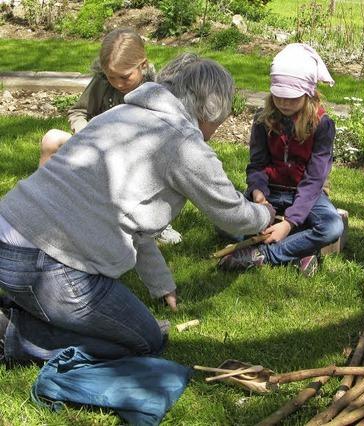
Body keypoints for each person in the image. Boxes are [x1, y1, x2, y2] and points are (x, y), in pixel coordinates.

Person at [0, 53, 274, 365]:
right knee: (146, 341)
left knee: (125, 327)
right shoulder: (184, 144)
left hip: (7, 235)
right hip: (47, 265)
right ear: (211, 108)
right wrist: (265, 214)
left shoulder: (118, 115)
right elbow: (232, 213)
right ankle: (13, 335)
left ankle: (21, 306)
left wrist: (162, 286)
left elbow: (134, 224)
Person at [38, 27, 182, 245]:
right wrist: (84, 131)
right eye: (111, 77)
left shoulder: (156, 91)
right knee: (51, 138)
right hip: (94, 148)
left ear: (142, 65)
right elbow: (78, 112)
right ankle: (45, 208)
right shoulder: (102, 83)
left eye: (124, 77)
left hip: (134, 159)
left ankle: (154, 224)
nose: (118, 83)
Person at [218, 43, 344, 277]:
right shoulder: (262, 119)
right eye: (279, 97)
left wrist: (289, 222)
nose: (284, 103)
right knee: (223, 218)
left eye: (292, 98)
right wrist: (258, 194)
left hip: (306, 194)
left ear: (308, 93)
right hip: (270, 192)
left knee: (332, 226)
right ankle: (301, 249)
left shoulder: (322, 125)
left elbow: (315, 180)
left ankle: (263, 255)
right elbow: (257, 165)